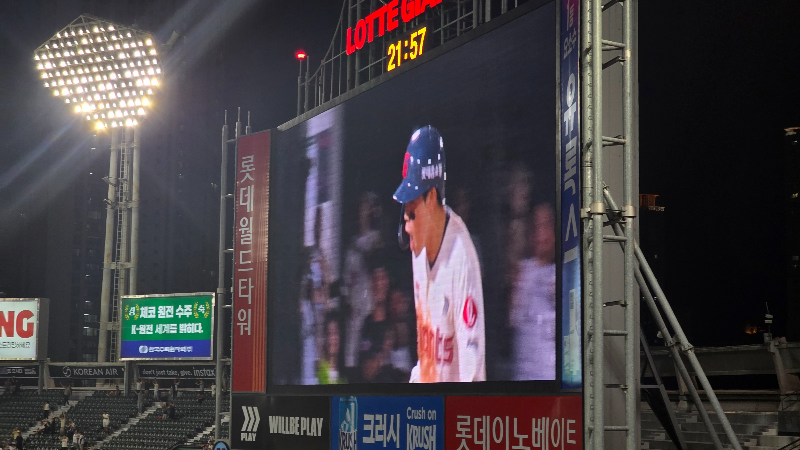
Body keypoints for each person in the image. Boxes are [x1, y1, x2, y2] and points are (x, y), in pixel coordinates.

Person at [392, 126, 486, 382]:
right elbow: (427, 351)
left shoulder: (462, 258)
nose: (407, 226)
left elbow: (472, 372)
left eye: (412, 213)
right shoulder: (419, 246)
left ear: (431, 198)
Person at [510, 205, 556, 380]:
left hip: (550, 375)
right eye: (535, 227)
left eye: (545, 226)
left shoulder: (565, 273)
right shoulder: (521, 271)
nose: (540, 234)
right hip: (522, 374)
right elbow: (512, 319)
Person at [343, 192, 384, 371]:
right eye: (362, 208)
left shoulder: (376, 239)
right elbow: (347, 277)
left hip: (370, 304)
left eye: (367, 208)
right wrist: (347, 298)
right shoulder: (352, 244)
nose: (364, 212)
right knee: (352, 350)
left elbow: (375, 264)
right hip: (354, 305)